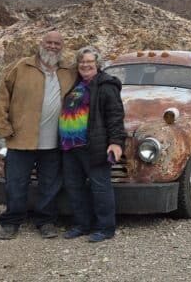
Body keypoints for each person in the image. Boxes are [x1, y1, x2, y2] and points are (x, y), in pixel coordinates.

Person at [0, 30, 76, 240]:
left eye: (57, 43)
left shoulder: (68, 71)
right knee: (16, 183)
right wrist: (2, 128)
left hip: (54, 142)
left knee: (50, 184)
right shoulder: (21, 67)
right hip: (21, 139)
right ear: (41, 43)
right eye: (49, 42)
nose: (53, 46)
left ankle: (46, 222)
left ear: (62, 46)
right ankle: (11, 222)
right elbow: (1, 98)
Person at [59, 46, 126, 243]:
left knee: (100, 187)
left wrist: (116, 142)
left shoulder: (106, 85)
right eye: (82, 62)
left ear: (97, 64)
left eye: (89, 61)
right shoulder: (76, 85)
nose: (85, 65)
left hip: (93, 145)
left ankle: (105, 228)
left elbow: (115, 116)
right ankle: (81, 224)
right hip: (70, 146)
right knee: (74, 186)